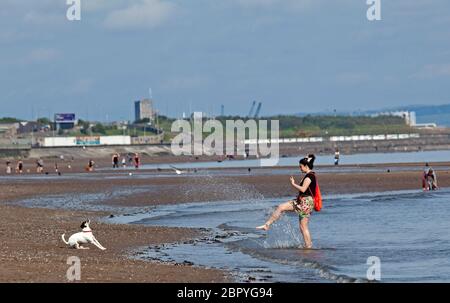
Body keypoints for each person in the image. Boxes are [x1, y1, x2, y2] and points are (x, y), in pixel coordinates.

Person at [257, 154, 318, 249]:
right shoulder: (308, 175)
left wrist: (293, 184)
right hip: (301, 201)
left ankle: (309, 247)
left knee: (303, 226)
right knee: (281, 207)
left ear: (306, 166)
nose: (300, 168)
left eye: (301, 166)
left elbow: (303, 189)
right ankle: (267, 224)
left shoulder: (310, 176)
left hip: (306, 202)